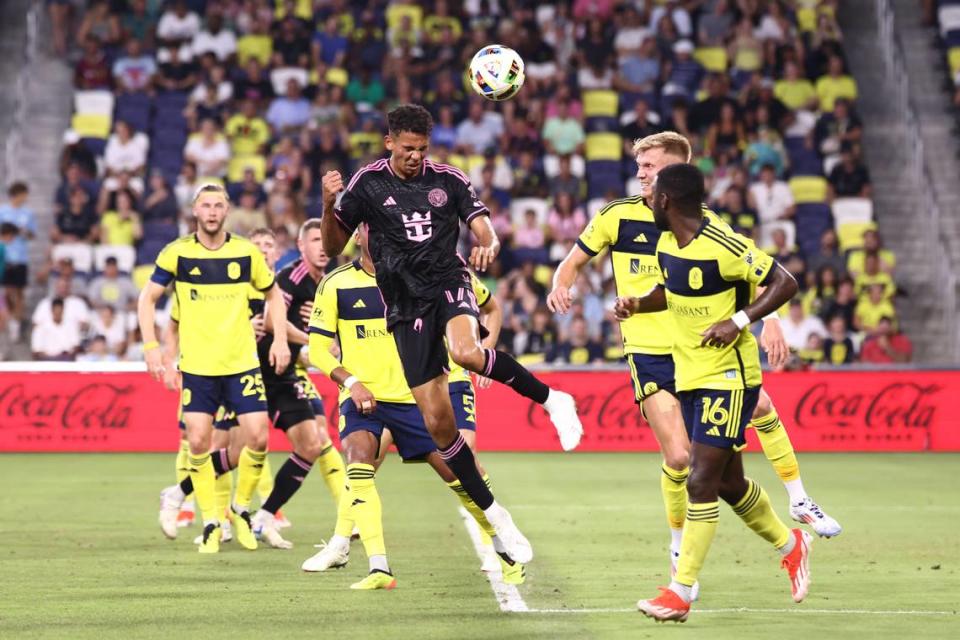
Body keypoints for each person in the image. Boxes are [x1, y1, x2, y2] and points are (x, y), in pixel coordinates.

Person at [548, 132, 840, 600]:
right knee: (683, 460)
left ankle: (795, 522)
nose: (641, 172)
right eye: (639, 165)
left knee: (730, 468)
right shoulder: (616, 215)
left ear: (674, 176)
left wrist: (769, 321)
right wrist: (563, 284)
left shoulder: (700, 224)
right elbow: (573, 261)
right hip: (650, 352)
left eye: (650, 166)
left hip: (704, 353)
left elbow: (752, 271)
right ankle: (680, 551)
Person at [319, 104, 584, 567]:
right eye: (406, 149)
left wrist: (489, 243)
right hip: (402, 305)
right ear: (389, 143)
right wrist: (328, 203)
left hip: (448, 281)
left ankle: (552, 399)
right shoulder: (366, 183)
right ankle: (497, 518)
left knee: (465, 351)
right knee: (440, 430)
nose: (415, 157)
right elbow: (329, 247)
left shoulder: (449, 180)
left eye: (421, 149)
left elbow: (482, 228)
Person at [618, 164, 812, 623]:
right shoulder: (666, 244)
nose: (647, 200)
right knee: (728, 483)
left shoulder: (723, 244)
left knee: (700, 480)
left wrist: (738, 321)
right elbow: (669, 291)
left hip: (730, 378)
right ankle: (792, 544)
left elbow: (786, 281)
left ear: (666, 201)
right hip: (690, 376)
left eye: (652, 195)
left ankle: (681, 591)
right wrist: (637, 303)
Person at [301, 222, 524, 588]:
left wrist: (476, 351)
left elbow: (478, 310)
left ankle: (503, 547)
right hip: (364, 398)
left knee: (461, 477)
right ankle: (378, 567)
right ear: (358, 236)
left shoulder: (420, 274)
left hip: (416, 397)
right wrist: (350, 382)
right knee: (358, 461)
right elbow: (317, 349)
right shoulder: (336, 284)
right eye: (369, 227)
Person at [139, 184, 290, 553]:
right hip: (200, 369)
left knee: (258, 438)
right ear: (194, 211)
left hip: (241, 365)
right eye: (205, 205)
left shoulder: (245, 252)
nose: (211, 211)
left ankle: (239, 509)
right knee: (199, 442)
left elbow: (273, 293)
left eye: (218, 205)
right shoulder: (176, 253)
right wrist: (152, 348)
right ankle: (210, 520)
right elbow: (148, 298)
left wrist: (282, 339)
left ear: (227, 211)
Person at [0, 182, 36, 341]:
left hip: (21, 257)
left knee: (20, 292)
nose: (26, 197)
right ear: (18, 194)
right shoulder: (3, 211)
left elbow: (32, 235)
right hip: (6, 256)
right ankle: (9, 318)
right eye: (24, 194)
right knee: (7, 291)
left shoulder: (27, 213)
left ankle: (16, 323)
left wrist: (23, 231)